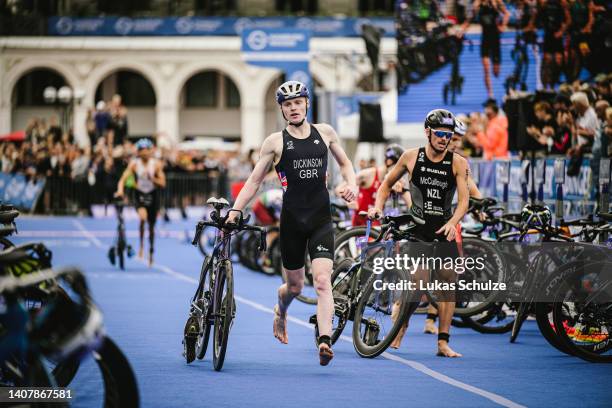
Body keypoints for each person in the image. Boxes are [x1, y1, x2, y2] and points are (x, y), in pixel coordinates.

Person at [227, 81, 358, 366]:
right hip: (292, 222)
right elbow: (254, 181)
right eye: (288, 104)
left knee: (323, 281)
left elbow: (346, 164)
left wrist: (352, 186)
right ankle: (281, 310)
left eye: (298, 102)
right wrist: (236, 211)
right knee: (295, 287)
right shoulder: (275, 142)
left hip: (321, 218)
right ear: (283, 110)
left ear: (307, 104)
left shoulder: (325, 133)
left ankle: (324, 340)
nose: (294, 108)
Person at [368, 109, 470, 357]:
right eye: (439, 134)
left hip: (444, 229)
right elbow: (385, 185)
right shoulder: (411, 157)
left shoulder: (458, 162)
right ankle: (401, 327)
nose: (444, 139)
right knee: (418, 283)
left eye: (448, 134)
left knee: (449, 285)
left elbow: (465, 201)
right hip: (418, 230)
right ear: (427, 132)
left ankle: (443, 342)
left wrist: (454, 222)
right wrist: (378, 208)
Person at [116, 138, 166, 266]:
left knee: (151, 228)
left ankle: (151, 251)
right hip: (139, 195)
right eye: (141, 150)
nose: (144, 153)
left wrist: (152, 178)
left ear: (150, 151)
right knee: (142, 218)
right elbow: (122, 179)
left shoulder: (155, 164)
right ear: (138, 152)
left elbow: (162, 183)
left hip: (152, 195)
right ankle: (141, 245)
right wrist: (120, 191)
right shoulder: (134, 164)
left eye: (146, 150)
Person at [349, 144, 411, 226]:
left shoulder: (398, 181)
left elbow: (411, 204)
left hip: (376, 224)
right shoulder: (368, 174)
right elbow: (343, 187)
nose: (400, 174)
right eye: (399, 168)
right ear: (389, 162)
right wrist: (351, 199)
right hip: (360, 223)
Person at [461, 0, 510, 99]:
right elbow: (469, 20)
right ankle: (490, 95)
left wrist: (503, 26)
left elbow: (507, 14)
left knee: (496, 73)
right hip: (485, 40)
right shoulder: (477, 4)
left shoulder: (497, 2)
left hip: (495, 40)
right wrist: (461, 30)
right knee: (486, 69)